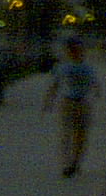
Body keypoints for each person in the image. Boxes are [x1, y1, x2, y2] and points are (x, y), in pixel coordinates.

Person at [43, 37, 100, 178]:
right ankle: (67, 163)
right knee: (66, 133)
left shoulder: (87, 67)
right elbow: (55, 84)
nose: (76, 52)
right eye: (73, 50)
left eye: (78, 50)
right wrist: (49, 100)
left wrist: (96, 92)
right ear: (68, 51)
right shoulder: (63, 67)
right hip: (68, 102)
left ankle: (76, 162)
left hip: (82, 102)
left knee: (80, 134)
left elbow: (94, 83)